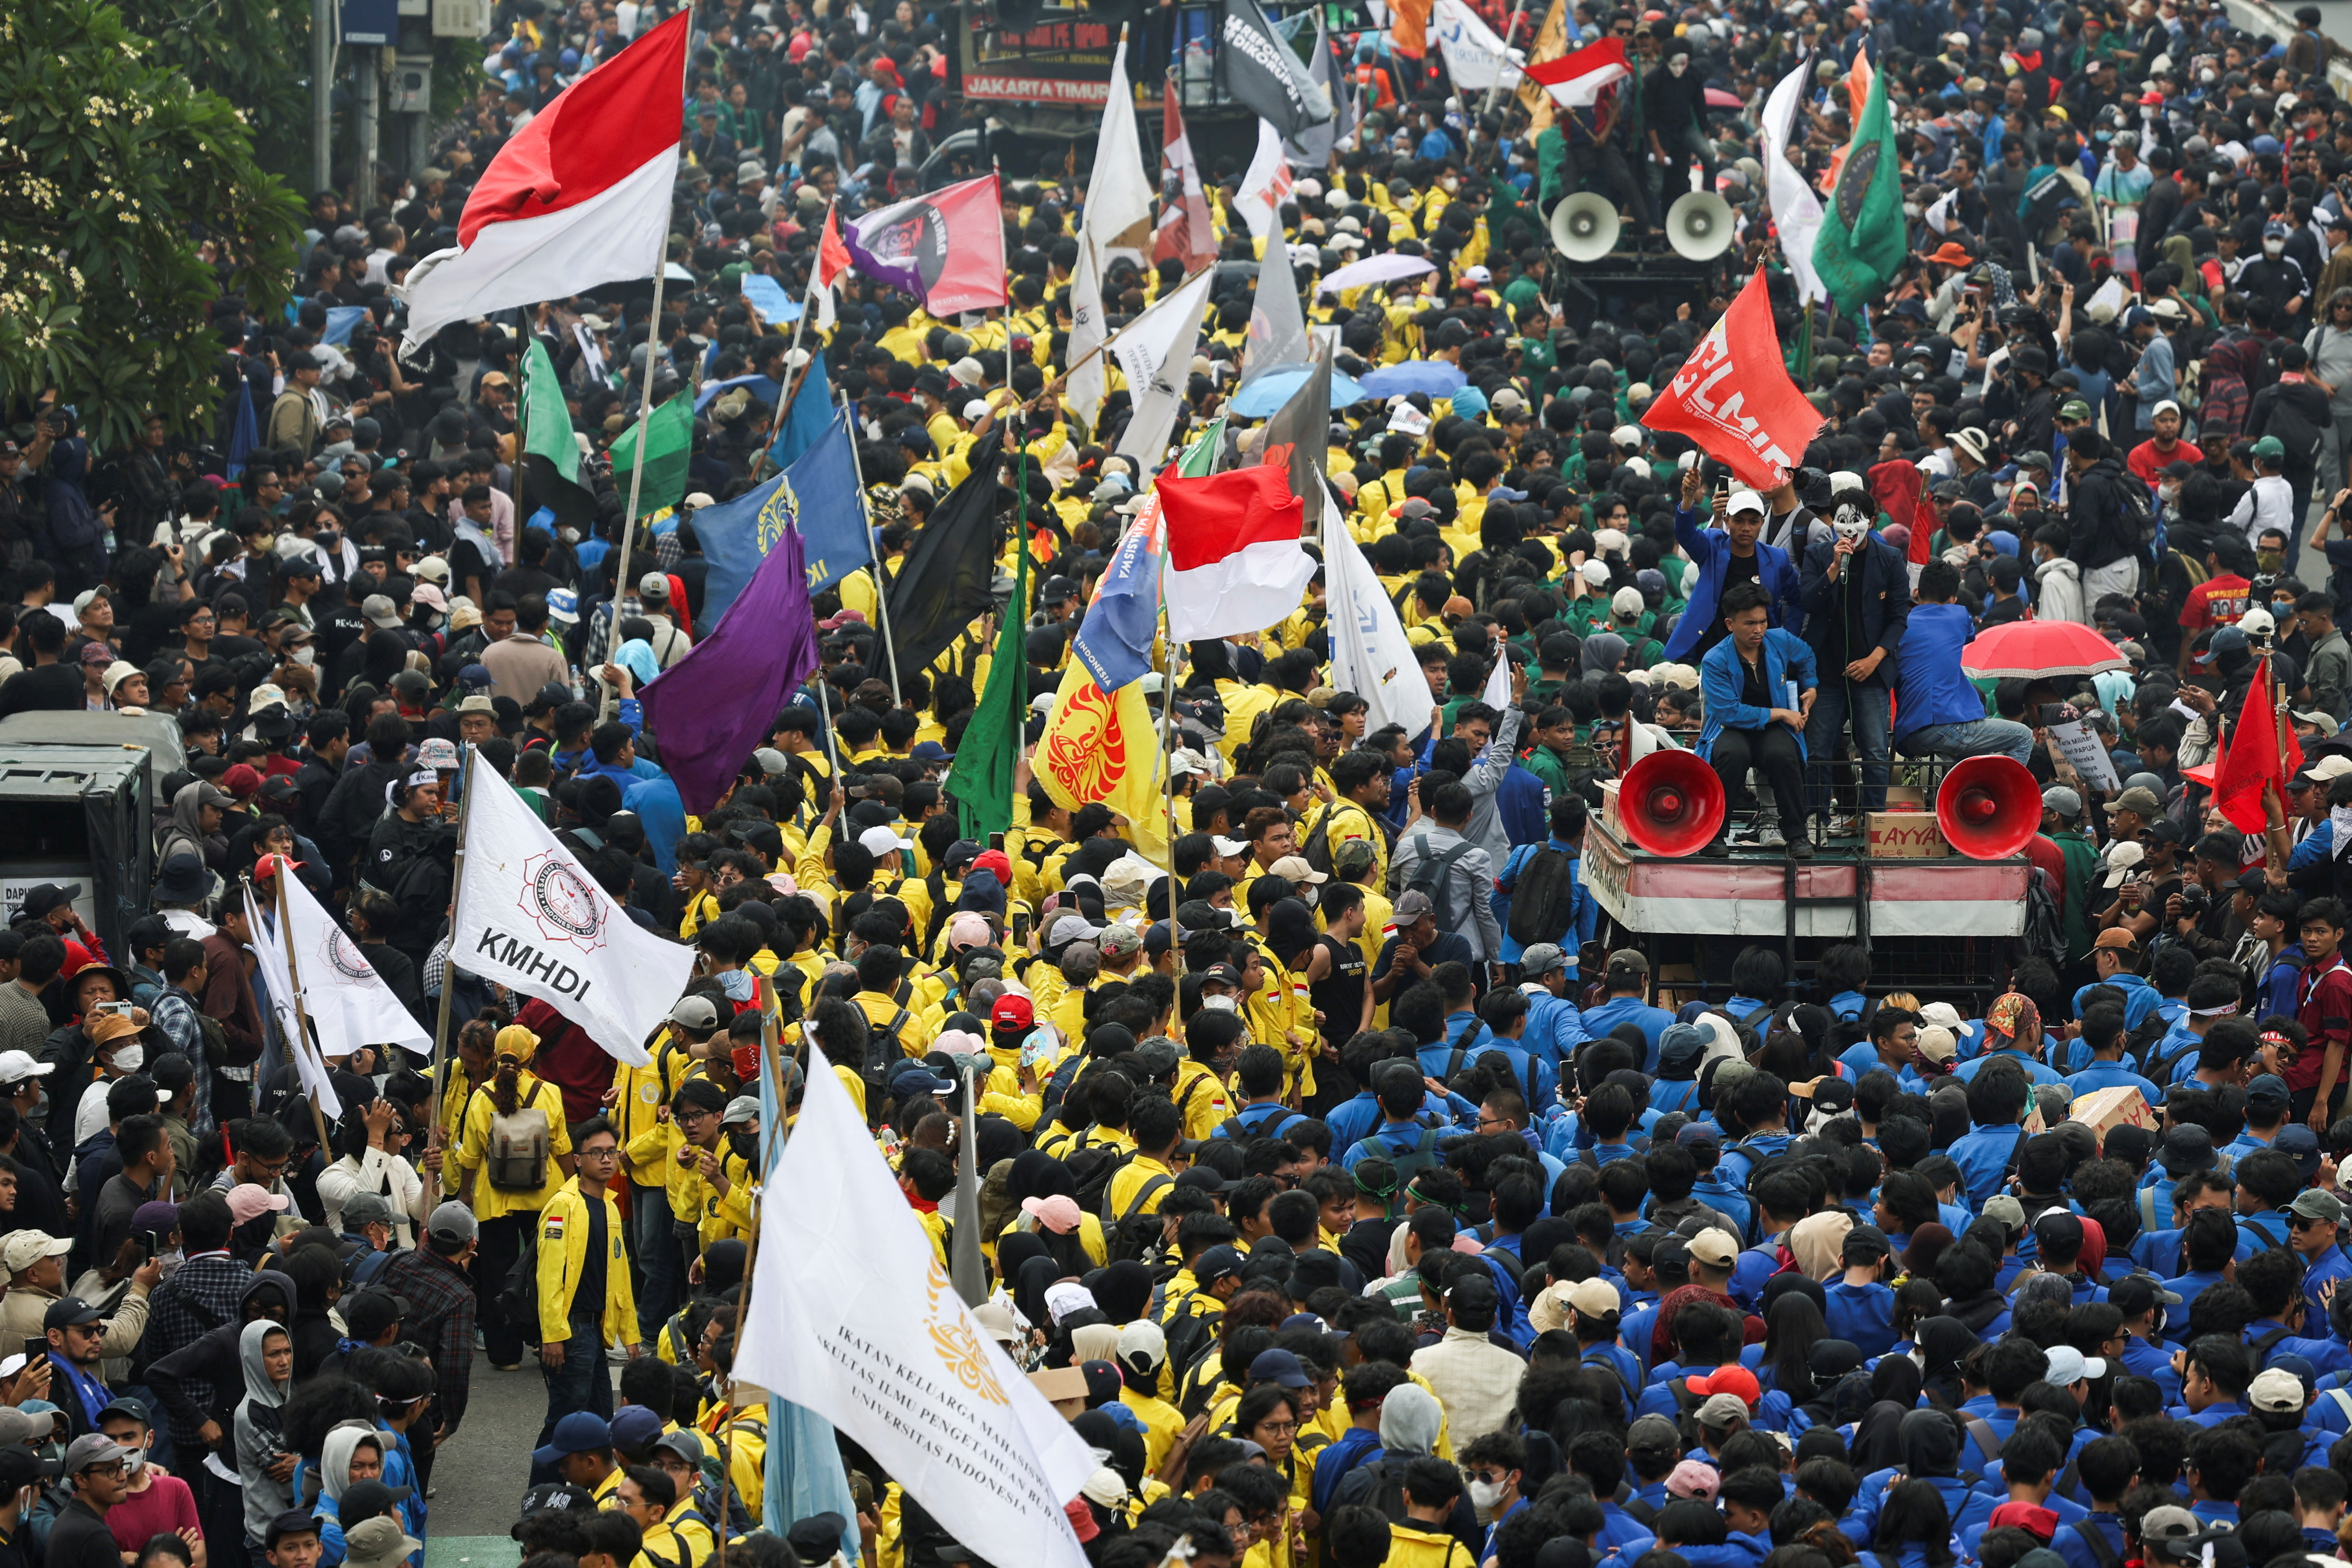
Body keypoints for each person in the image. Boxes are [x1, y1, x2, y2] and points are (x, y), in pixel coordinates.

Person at [1695, 580, 1816, 858]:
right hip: (1730, 727)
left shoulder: (1779, 639)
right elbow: (1730, 712)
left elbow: (1807, 656)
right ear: (1730, 624)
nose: (1759, 629)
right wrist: (1781, 713)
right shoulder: (1714, 660)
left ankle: (1797, 835)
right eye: (1750, 623)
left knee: (1783, 754)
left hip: (1771, 729)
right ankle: (1714, 834)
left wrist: (1811, 687)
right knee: (1732, 754)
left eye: (1763, 621)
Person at [534, 1117, 635, 1438]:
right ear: (577, 1160)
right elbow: (549, 1275)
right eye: (597, 1153)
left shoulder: (610, 1207)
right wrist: (552, 1335)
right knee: (565, 1421)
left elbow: (620, 1278)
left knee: (601, 1418)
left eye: (612, 1152)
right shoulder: (562, 1206)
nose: (607, 1159)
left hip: (597, 1328)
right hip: (572, 1330)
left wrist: (630, 1336)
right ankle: (544, 1474)